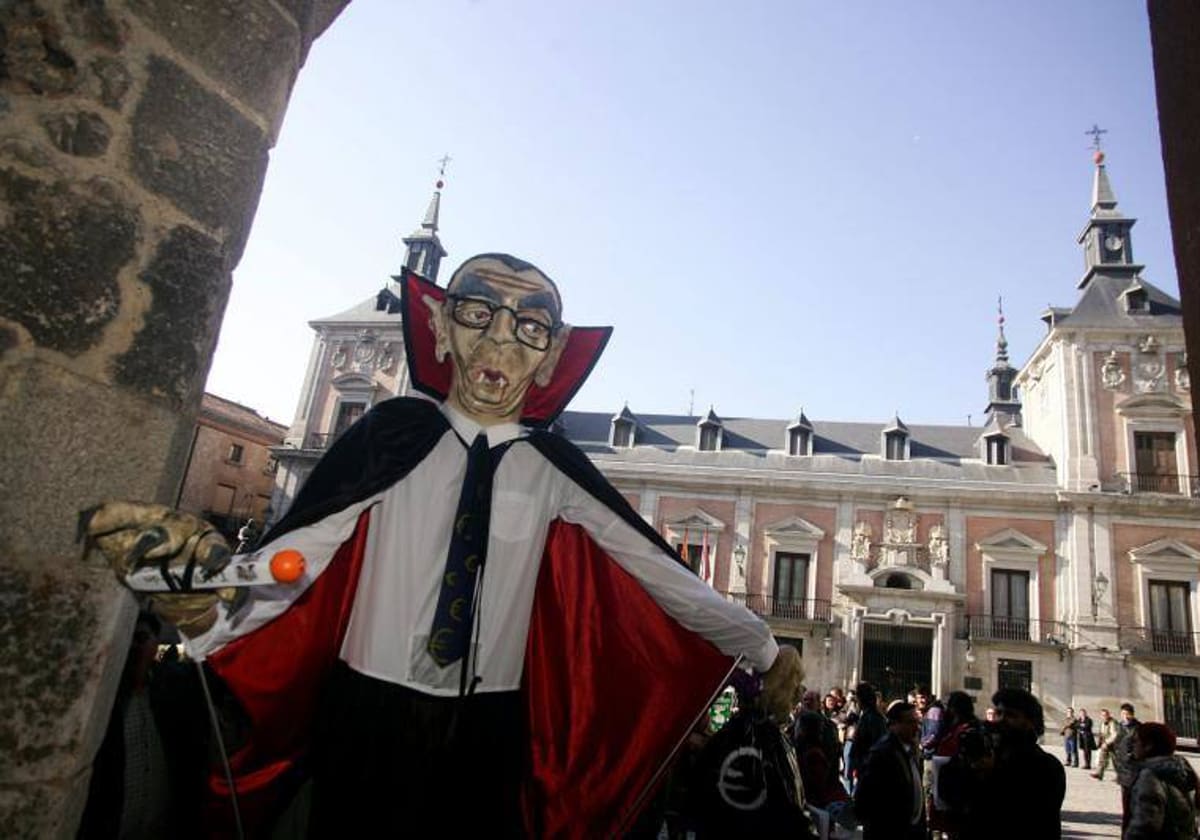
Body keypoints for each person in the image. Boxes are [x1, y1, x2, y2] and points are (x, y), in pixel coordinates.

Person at [84, 254, 791, 836]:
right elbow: (306, 554)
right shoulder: (393, 434)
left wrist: (760, 644)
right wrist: (215, 594)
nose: (500, 343)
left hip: (492, 725)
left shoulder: (554, 470)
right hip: (371, 712)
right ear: (441, 329)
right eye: (479, 315)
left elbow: (657, 570)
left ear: (550, 362)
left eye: (530, 328)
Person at [689, 647, 816, 838]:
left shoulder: (732, 734)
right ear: (782, 689)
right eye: (795, 685)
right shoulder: (767, 741)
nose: (799, 694)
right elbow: (787, 810)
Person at [959, 687, 1065, 839]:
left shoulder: (1046, 766)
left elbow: (1023, 815)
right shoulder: (990, 754)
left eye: (1011, 715)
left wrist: (992, 773)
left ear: (1031, 722)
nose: (1001, 720)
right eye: (999, 713)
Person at [853, 701, 926, 840]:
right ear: (894, 725)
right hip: (888, 831)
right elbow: (865, 796)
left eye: (917, 722)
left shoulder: (910, 750)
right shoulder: (883, 753)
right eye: (910, 722)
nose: (916, 728)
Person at [1125, 722, 1199, 840]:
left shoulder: (1150, 776)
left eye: (1136, 741)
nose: (1133, 746)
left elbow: (1145, 824)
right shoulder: (1183, 771)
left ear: (1148, 745)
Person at [846, 682, 887, 794]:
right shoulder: (873, 717)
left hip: (869, 768)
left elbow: (872, 744)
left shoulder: (870, 718)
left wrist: (860, 765)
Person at [1115, 702, 1143, 834]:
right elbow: (1117, 743)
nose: (1124, 716)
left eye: (1126, 714)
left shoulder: (1138, 728)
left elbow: (1140, 747)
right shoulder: (1120, 726)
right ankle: (1126, 831)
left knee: (1135, 802)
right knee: (1126, 804)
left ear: (1132, 714)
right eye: (1122, 714)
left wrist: (1131, 755)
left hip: (1134, 770)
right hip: (1123, 770)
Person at [1091, 707, 1118, 780]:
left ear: (1108, 715)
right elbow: (1101, 734)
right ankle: (1099, 774)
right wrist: (1100, 743)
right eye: (1102, 715)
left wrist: (1106, 742)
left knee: (1116, 761)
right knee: (1102, 759)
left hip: (1113, 744)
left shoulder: (1112, 722)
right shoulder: (1102, 723)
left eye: (1105, 715)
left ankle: (1119, 776)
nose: (1104, 716)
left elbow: (1114, 734)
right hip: (1105, 744)